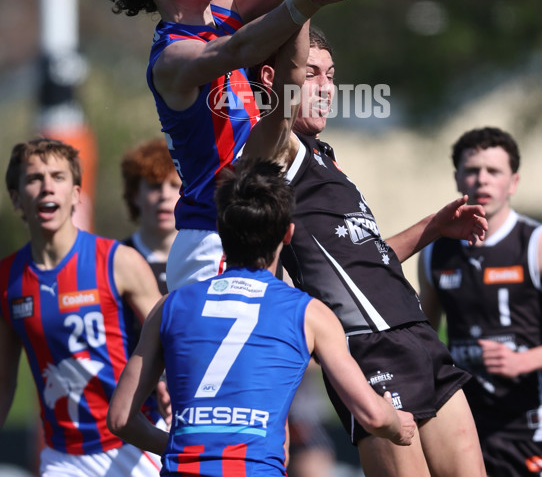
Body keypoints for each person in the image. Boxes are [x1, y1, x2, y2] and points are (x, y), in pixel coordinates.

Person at [93, 0, 367, 289]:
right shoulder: (172, 59)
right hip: (210, 241)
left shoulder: (226, 6)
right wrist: (307, 2)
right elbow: (240, 48)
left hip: (255, 229)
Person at [241, 25, 487, 477]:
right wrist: (305, 1)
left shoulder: (326, 159)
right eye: (311, 73)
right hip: (369, 350)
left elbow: (368, 259)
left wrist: (435, 227)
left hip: (419, 336)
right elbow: (283, 87)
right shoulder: (273, 150)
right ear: (275, 81)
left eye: (331, 75)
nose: (325, 87)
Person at [107, 159, 417, 476]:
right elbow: (373, 416)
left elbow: (120, 419)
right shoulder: (310, 313)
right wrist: (398, 425)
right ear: (287, 234)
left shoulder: (168, 306)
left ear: (221, 231)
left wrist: (181, 450)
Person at [418, 126, 542, 477]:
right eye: (472, 170)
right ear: (457, 178)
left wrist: (525, 360)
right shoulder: (435, 252)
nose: (482, 180)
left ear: (513, 182)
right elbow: (423, 336)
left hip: (528, 425)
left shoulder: (537, 244)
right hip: (463, 424)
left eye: (494, 171)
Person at [0, 137, 164, 477]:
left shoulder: (118, 261)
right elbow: (4, 381)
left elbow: (170, 338)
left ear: (75, 194)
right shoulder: (7, 280)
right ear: (16, 197)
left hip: (136, 444)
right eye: (34, 178)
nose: (47, 187)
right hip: (64, 456)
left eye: (58, 177)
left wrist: (170, 386)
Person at [120, 137, 181, 295]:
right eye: (155, 186)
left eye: (175, 185)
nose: (165, 195)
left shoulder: (206, 258)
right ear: (134, 194)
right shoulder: (114, 259)